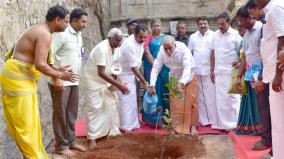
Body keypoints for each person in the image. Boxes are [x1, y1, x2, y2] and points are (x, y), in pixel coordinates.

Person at [1, 5, 77, 159]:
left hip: (22, 79)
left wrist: (56, 69)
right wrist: (60, 75)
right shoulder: (44, 34)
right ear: (57, 20)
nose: (67, 25)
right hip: (18, 80)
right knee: (26, 125)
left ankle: (35, 155)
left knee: (30, 122)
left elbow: (38, 59)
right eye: (66, 22)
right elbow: (40, 65)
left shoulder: (42, 31)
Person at [48, 8, 88, 156]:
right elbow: (48, 53)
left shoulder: (78, 34)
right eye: (83, 22)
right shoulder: (62, 34)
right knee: (60, 114)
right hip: (60, 81)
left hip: (73, 80)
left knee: (71, 113)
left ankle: (71, 141)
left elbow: (80, 54)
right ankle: (61, 146)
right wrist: (57, 77)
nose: (85, 25)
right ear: (74, 20)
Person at [83, 28, 130, 150]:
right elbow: (101, 73)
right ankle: (92, 138)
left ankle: (111, 132)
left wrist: (115, 80)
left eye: (120, 40)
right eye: (117, 40)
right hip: (93, 81)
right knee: (94, 109)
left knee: (111, 104)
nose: (119, 43)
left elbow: (114, 65)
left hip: (106, 80)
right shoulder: (102, 49)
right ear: (109, 38)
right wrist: (119, 85)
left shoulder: (116, 48)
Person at [147, 36, 197, 135]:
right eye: (166, 49)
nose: (168, 51)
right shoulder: (162, 51)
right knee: (175, 103)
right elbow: (156, 67)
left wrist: (182, 82)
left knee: (190, 101)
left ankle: (193, 126)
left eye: (170, 48)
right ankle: (177, 127)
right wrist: (152, 84)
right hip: (174, 76)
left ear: (175, 45)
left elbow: (187, 67)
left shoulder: (183, 49)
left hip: (189, 75)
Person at [254, 0, 284, 158]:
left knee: (280, 120)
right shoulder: (268, 11)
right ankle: (278, 154)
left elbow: (283, 40)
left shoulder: (277, 8)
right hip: (271, 74)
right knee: (277, 121)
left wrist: (278, 75)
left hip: (278, 75)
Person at [245, 0, 273, 152]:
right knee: (263, 108)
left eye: (251, 13)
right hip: (258, 74)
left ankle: (267, 140)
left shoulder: (263, 26)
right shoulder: (261, 26)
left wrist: (261, 77)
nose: (252, 16)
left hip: (265, 74)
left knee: (265, 108)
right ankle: (267, 139)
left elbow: (264, 54)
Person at [210, 12, 242, 130]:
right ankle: (223, 125)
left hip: (233, 72)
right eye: (218, 24)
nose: (220, 26)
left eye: (223, 24)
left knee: (234, 99)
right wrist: (211, 70)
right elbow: (212, 53)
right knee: (221, 100)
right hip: (219, 72)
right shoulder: (215, 35)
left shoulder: (236, 35)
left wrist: (239, 62)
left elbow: (243, 53)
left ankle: (236, 124)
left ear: (229, 22)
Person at [234, 6, 262, 136]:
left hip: (261, 73)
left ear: (249, 18)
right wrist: (238, 77)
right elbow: (244, 58)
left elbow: (266, 54)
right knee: (252, 102)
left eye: (241, 20)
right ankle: (254, 128)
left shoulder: (261, 28)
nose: (240, 24)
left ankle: (265, 132)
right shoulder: (245, 36)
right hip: (249, 72)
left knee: (261, 103)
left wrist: (260, 77)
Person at [118, 24, 148, 133]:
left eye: (145, 37)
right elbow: (134, 67)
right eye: (141, 37)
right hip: (124, 74)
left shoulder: (140, 40)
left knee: (133, 100)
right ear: (134, 34)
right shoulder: (129, 45)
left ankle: (133, 122)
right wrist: (145, 82)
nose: (143, 39)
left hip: (132, 74)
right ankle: (125, 126)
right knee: (126, 100)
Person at [188, 16, 217, 127]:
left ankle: (214, 120)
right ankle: (204, 120)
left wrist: (213, 70)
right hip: (197, 70)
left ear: (208, 24)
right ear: (198, 25)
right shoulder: (193, 37)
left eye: (205, 23)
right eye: (201, 24)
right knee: (199, 96)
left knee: (211, 96)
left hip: (210, 71)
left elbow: (215, 52)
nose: (203, 25)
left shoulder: (214, 35)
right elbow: (189, 53)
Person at [142, 18, 170, 126]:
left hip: (164, 67)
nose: (156, 28)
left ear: (161, 26)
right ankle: (152, 119)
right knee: (153, 89)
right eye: (154, 26)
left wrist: (160, 66)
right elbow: (146, 51)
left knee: (164, 90)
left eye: (158, 25)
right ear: (151, 27)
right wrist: (155, 65)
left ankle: (165, 118)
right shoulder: (148, 37)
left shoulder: (166, 38)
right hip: (151, 67)